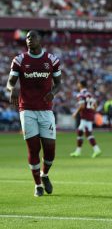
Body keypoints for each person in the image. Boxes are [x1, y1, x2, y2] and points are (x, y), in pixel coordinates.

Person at [6, 30, 61, 197]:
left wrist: (54, 92)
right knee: (33, 148)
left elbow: (58, 83)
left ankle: (44, 174)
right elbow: (10, 82)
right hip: (27, 109)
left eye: (32, 37)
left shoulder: (51, 60)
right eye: (27, 37)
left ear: (40, 40)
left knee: (50, 150)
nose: (29, 40)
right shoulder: (20, 60)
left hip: (46, 110)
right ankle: (37, 185)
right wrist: (12, 89)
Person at [70, 80, 102, 158]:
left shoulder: (81, 94)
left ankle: (96, 150)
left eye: (78, 83)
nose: (77, 85)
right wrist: (92, 112)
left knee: (87, 133)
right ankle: (78, 152)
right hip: (89, 115)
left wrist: (75, 113)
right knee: (80, 132)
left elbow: (82, 106)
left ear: (80, 85)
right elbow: (95, 105)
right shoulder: (89, 94)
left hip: (85, 116)